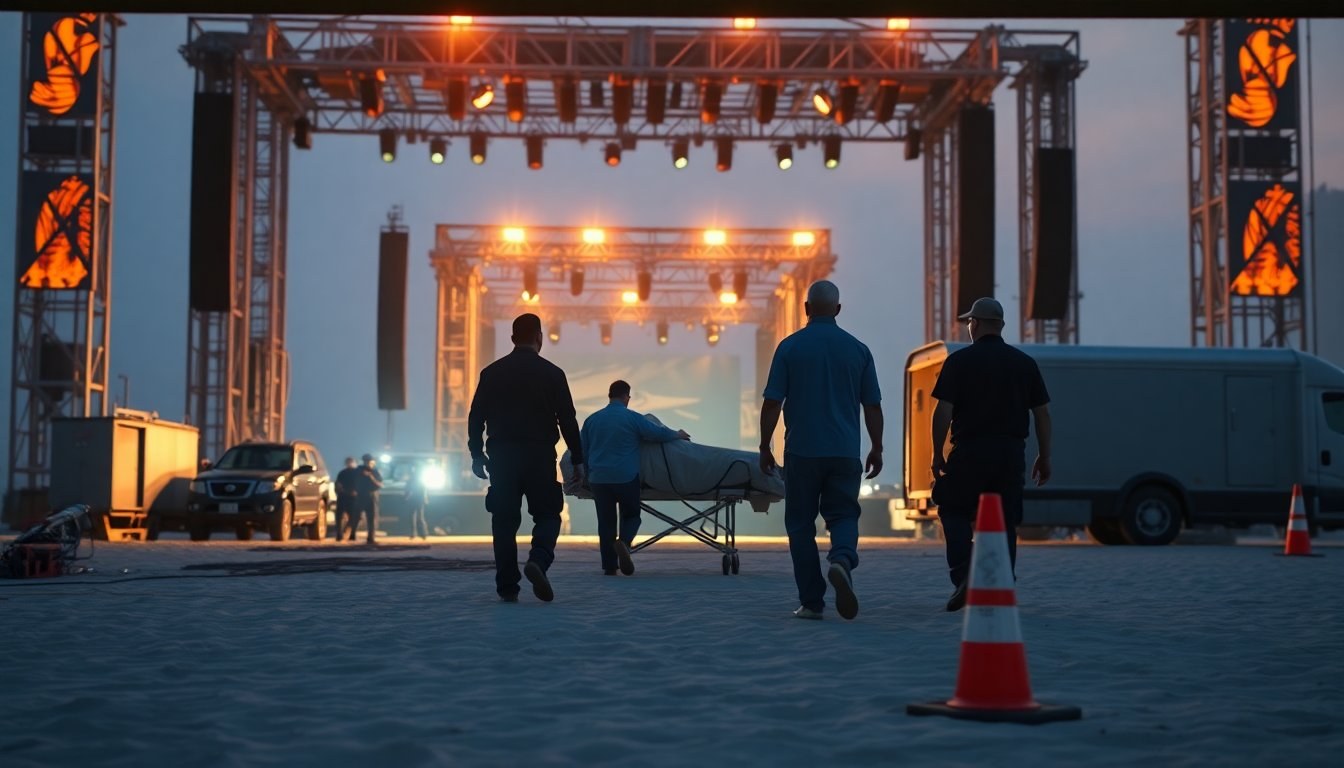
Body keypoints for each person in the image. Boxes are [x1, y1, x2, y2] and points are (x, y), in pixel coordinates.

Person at [759, 280, 883, 621]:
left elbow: (772, 402)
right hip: (844, 452)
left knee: (800, 525)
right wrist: (877, 447)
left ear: (806, 308)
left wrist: (764, 445)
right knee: (843, 514)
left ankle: (812, 602)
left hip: (802, 452)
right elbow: (872, 405)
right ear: (838, 310)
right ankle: (842, 559)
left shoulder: (789, 347)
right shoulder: (858, 350)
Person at [930, 296, 1052, 612]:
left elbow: (943, 410)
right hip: (1011, 454)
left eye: (970, 321)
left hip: (970, 451)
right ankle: (1001, 583)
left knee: (953, 509)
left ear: (977, 324)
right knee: (1005, 520)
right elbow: (1042, 414)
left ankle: (964, 575)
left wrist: (937, 453)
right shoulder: (1025, 364)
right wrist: (1045, 455)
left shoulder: (959, 362)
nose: (969, 326)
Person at [468, 312, 584, 603]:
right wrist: (579, 458)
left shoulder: (491, 373)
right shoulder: (553, 373)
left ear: (512, 338)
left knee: (504, 521)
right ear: (539, 337)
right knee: (547, 515)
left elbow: (476, 417)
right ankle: (539, 560)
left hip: (502, 457)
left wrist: (476, 453)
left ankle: (508, 588)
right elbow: (567, 420)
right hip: (539, 455)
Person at [580, 379, 690, 576]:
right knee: (631, 516)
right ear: (626, 397)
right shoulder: (633, 419)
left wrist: (587, 476)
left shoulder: (592, 420)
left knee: (606, 523)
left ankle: (610, 567)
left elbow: (583, 452)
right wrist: (677, 434)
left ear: (609, 396)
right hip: (625, 477)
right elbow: (658, 433)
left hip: (599, 479)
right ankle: (623, 543)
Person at [352, 453, 384, 545]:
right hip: (360, 496)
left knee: (371, 518)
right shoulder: (358, 470)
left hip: (372, 497)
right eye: (366, 461)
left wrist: (371, 477)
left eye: (370, 461)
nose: (368, 463)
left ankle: (371, 538)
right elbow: (352, 481)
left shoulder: (375, 472)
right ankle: (352, 534)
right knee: (356, 517)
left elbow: (380, 484)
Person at [333, 456, 360, 541]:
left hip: (354, 497)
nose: (350, 464)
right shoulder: (342, 473)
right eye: (348, 462)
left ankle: (349, 532)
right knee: (339, 516)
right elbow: (337, 484)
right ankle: (339, 534)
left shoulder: (357, 473)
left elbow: (361, 484)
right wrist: (340, 491)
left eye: (351, 462)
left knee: (354, 517)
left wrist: (357, 492)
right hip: (343, 496)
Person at [406, 464, 431, 540]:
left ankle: (413, 533)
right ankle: (423, 534)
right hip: (419, 499)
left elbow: (408, 488)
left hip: (414, 499)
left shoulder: (412, 478)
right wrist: (425, 498)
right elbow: (424, 489)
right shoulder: (420, 479)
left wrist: (406, 496)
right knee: (420, 517)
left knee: (413, 517)